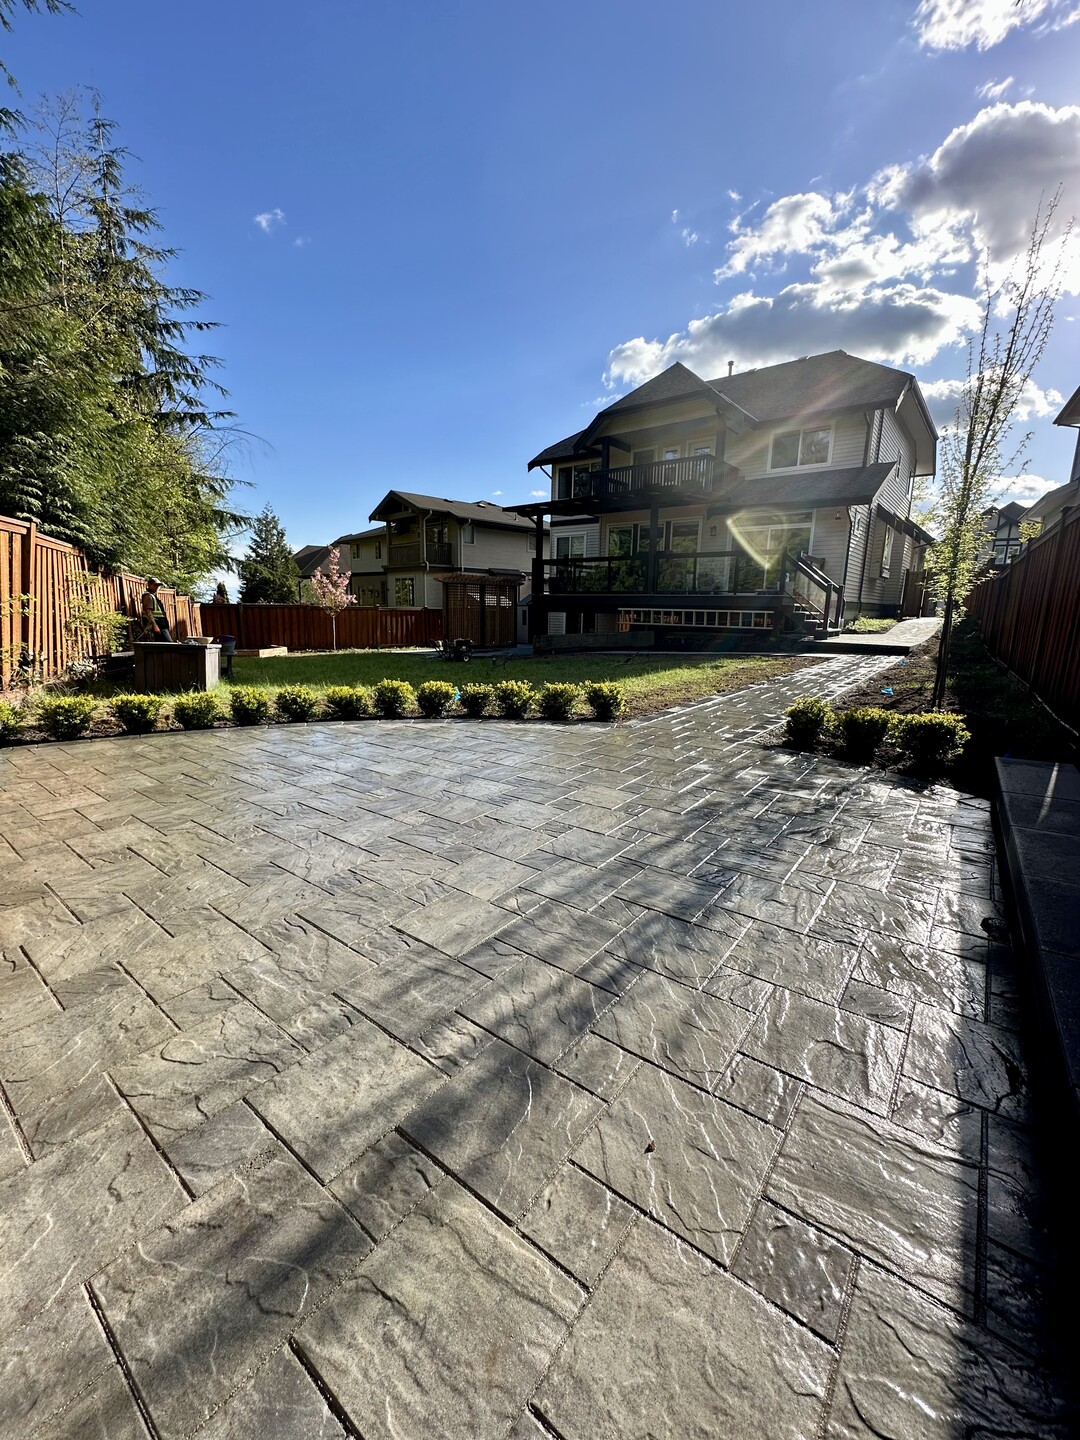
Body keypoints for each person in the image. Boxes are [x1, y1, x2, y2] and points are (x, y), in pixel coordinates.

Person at [141, 577, 174, 642]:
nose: (157, 587)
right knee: (169, 643)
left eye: (158, 585)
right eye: (155, 585)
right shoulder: (148, 596)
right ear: (149, 585)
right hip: (157, 623)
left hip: (161, 623)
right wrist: (154, 625)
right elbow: (148, 612)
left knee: (161, 644)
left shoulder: (153, 596)